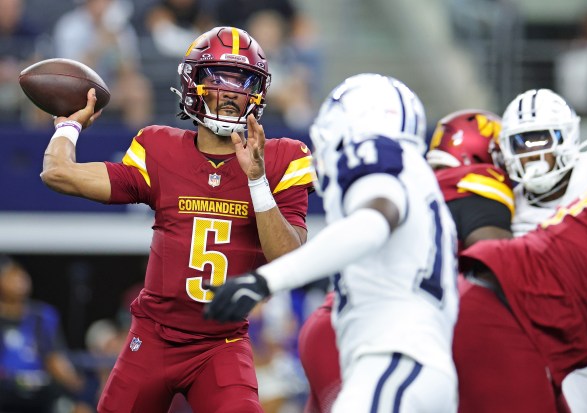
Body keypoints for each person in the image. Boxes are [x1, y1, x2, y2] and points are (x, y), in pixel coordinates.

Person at [39, 26, 314, 412]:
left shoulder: (283, 157)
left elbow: (289, 260)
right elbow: (57, 173)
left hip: (222, 344)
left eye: (242, 81)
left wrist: (257, 182)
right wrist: (68, 125)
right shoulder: (160, 148)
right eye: (219, 78)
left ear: (259, 91)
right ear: (193, 83)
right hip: (153, 338)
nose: (231, 93)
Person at [205, 73, 460, 413]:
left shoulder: (375, 153)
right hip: (419, 365)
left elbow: (373, 223)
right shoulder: (417, 178)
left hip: (395, 358)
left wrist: (266, 279)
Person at [296, 108, 514, 412]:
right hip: (384, 337)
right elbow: (505, 267)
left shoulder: (417, 185)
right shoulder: (475, 187)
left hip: (337, 322)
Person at [453, 88, 587, 412]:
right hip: (571, 353)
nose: (531, 154)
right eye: (521, 143)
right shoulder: (505, 208)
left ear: (567, 136)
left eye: (541, 140)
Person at [0, 255, 89, 413]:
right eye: (11, 275)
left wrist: (73, 386)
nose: (20, 280)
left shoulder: (42, 315)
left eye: (20, 274)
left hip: (41, 388)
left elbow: (54, 357)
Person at [52, 0, 154, 128]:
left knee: (138, 91)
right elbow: (71, 72)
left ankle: (137, 143)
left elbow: (130, 73)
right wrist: (99, 45)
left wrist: (117, 47)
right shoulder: (71, 26)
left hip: (108, 88)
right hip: (77, 90)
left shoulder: (121, 28)